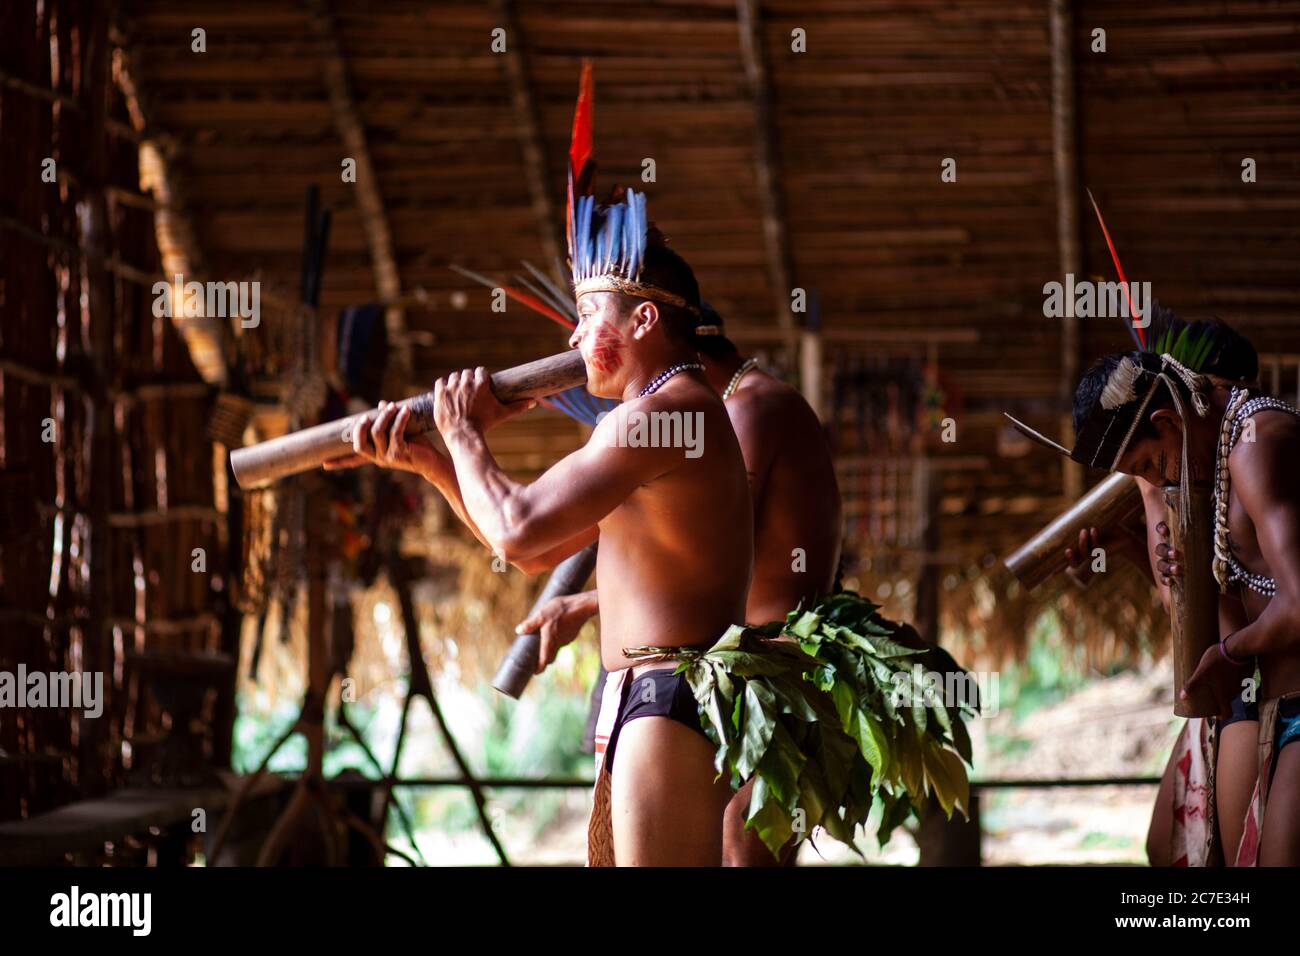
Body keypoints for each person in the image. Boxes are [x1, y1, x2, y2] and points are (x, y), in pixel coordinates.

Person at [518, 303, 843, 865]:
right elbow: (716, 559)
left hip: (774, 671)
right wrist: (592, 602)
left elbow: (720, 557)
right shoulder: (749, 403)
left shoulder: (745, 408)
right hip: (767, 670)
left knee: (741, 849)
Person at [1015, 314, 1300, 865]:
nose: (1158, 481)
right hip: (1272, 701)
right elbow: (1232, 599)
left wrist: (1227, 653)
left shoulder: (1254, 448)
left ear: (1170, 419)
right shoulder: (1214, 464)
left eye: (1150, 463)